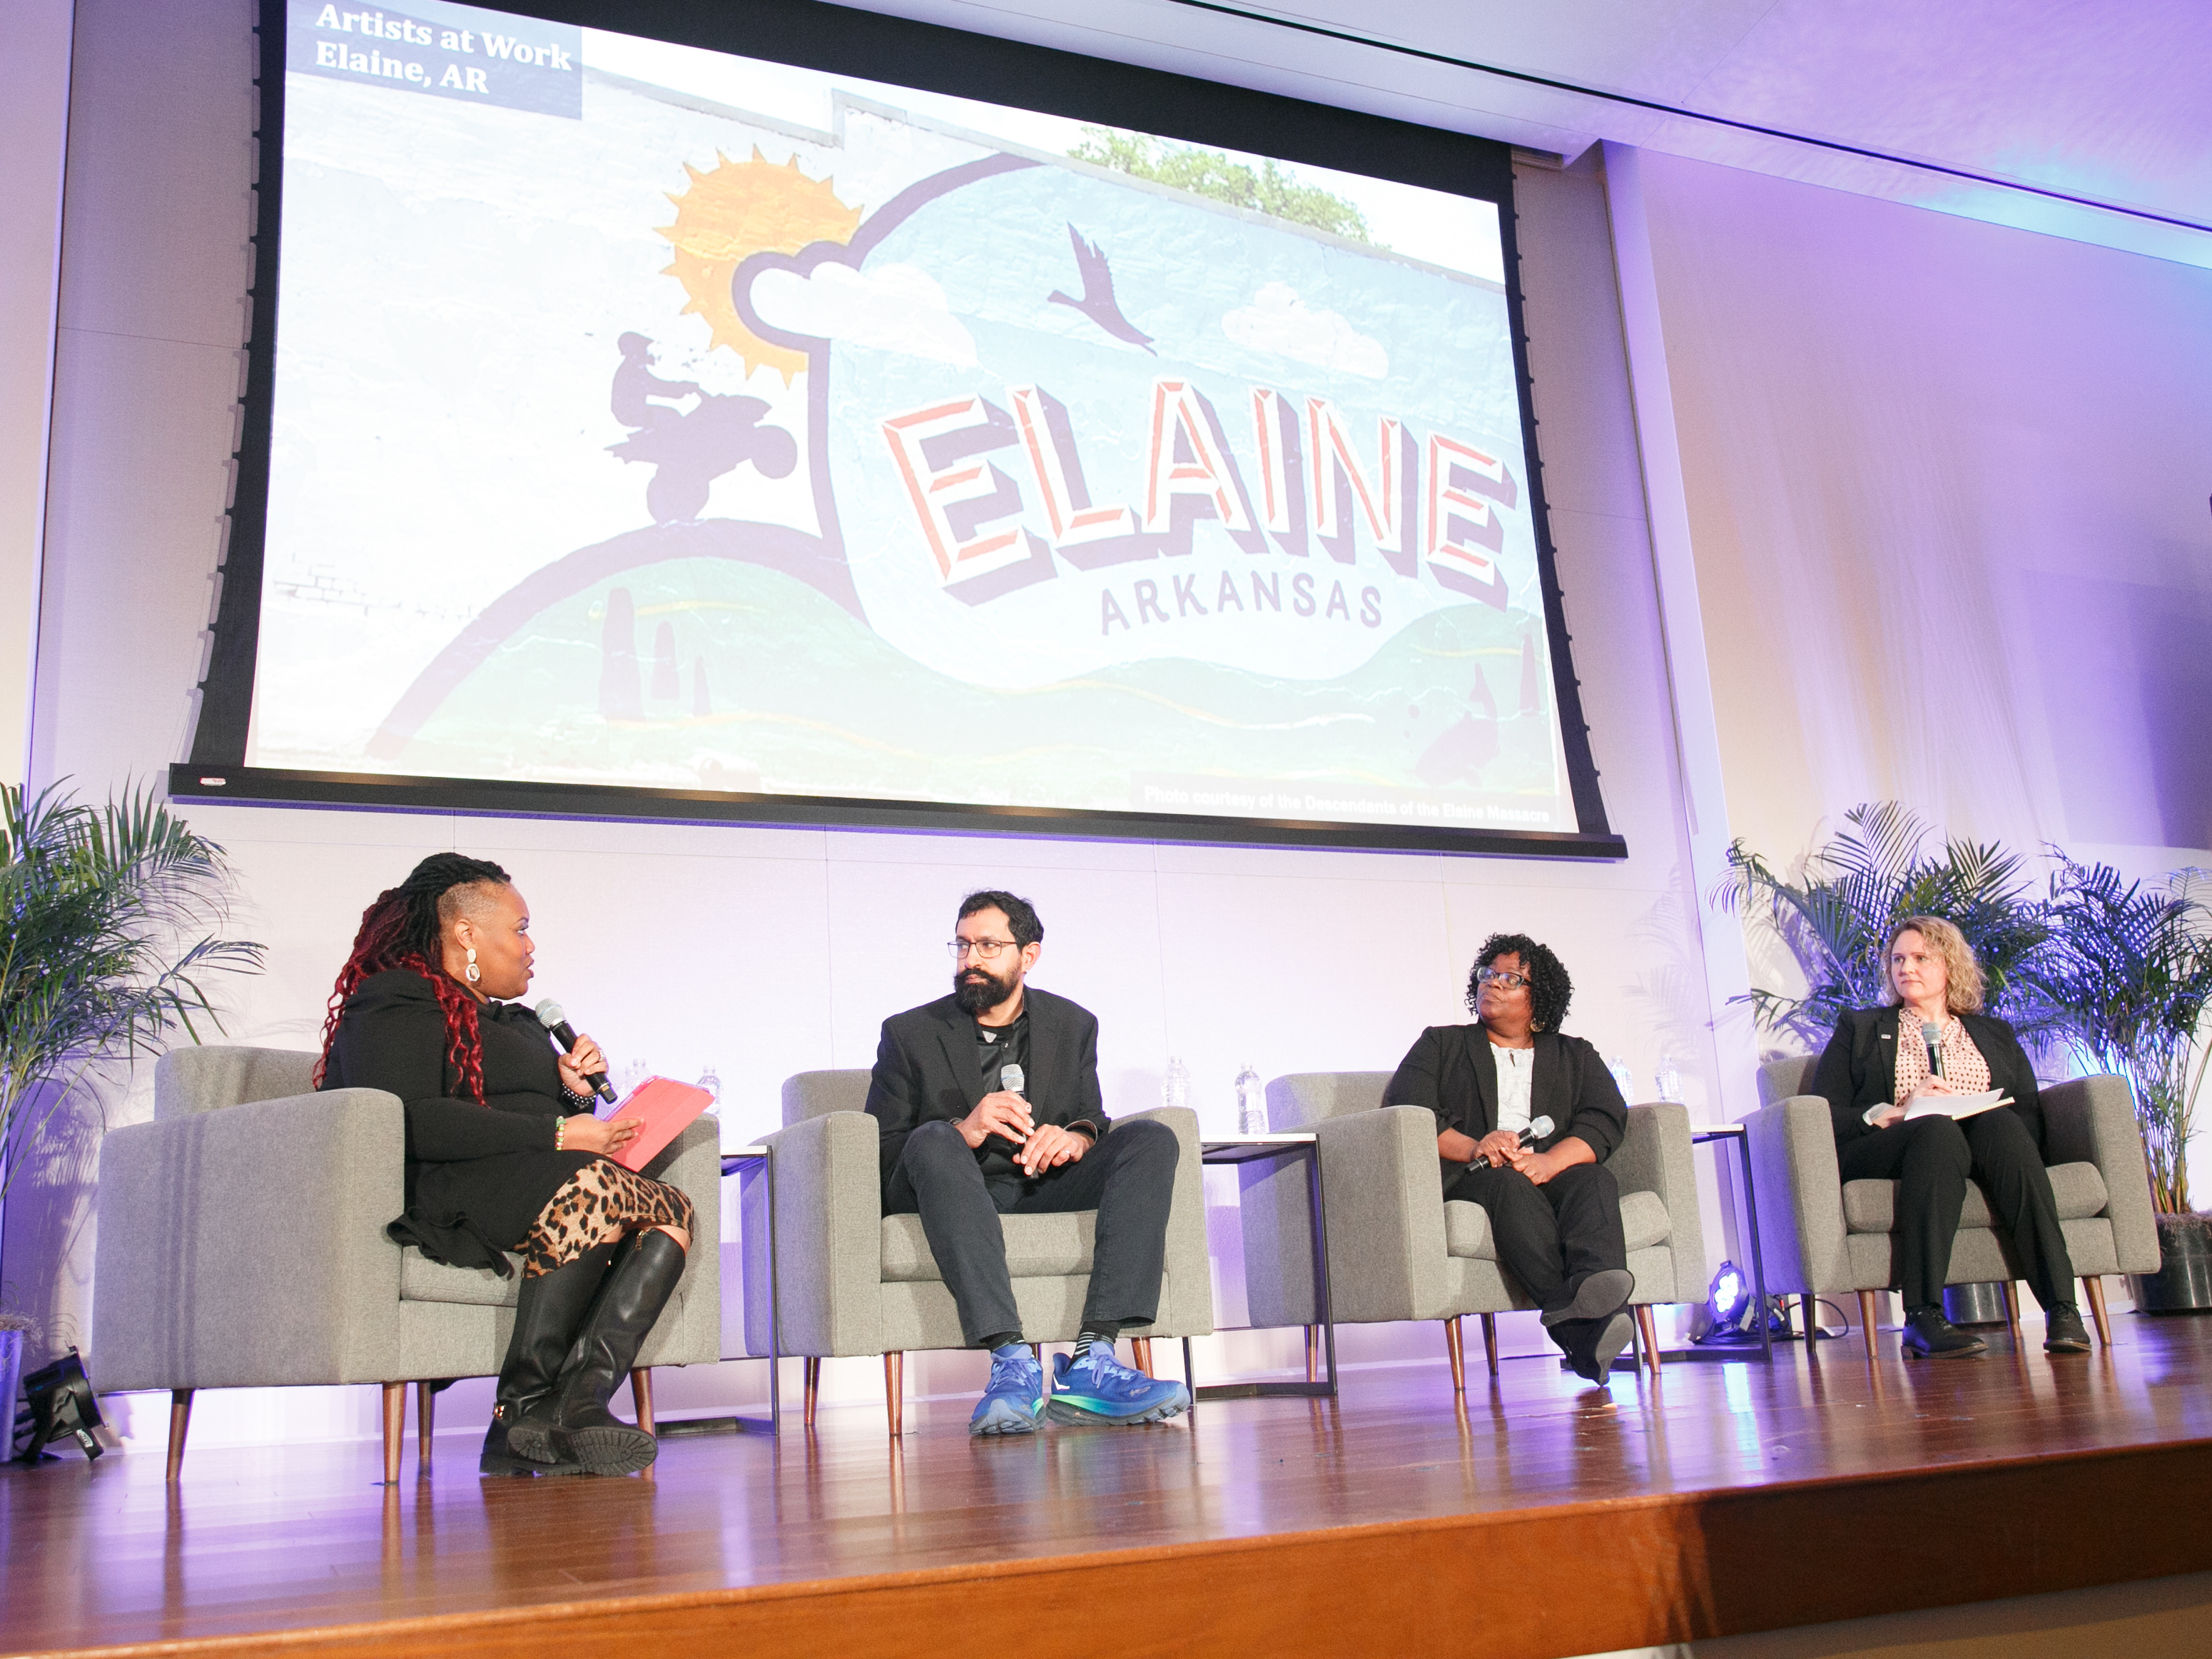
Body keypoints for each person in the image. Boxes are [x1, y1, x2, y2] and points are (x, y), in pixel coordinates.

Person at [318, 853, 696, 1475]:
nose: (531, 945)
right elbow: (410, 1116)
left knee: (673, 1210)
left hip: (540, 1176)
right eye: (519, 928)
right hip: (453, 1181)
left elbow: (549, 1117)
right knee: (597, 1188)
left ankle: (573, 1403)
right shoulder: (395, 998)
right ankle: (519, 1409)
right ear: (466, 932)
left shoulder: (519, 1022)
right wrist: (555, 1131)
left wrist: (575, 1095)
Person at [866, 890, 1189, 1435]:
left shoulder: (1073, 1024)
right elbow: (882, 1153)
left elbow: (1091, 1115)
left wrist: (1076, 1139)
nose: (971, 959)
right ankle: (1011, 1361)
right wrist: (962, 1131)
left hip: (1042, 1184)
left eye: (988, 945)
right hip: (951, 1185)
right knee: (933, 1139)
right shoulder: (909, 1033)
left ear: (1028, 955)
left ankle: (1093, 1359)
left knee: (1152, 1139)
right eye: (963, 944)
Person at [1811, 915, 2092, 1359]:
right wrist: (1896, 1111)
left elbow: (2027, 1111)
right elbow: (1819, 1111)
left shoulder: (1993, 1033)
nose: (1906, 968)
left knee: (2000, 1123)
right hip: (1893, 1144)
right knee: (1937, 1130)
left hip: (1981, 1143)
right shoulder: (1861, 1028)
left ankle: (2062, 1309)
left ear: (1950, 967)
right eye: (1898, 959)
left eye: (1921, 958)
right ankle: (1923, 1316)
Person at [1386, 933, 1635, 1383]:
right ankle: (1582, 1320)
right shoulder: (1442, 1044)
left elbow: (1604, 1118)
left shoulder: (1574, 1054)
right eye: (1487, 974)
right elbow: (1409, 1110)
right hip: (1477, 1172)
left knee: (1595, 1181)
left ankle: (1589, 1300)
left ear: (1539, 999)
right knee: (1508, 1183)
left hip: (1547, 1168)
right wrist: (1476, 1145)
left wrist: (1551, 1162)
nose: (1493, 984)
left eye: (1510, 978)